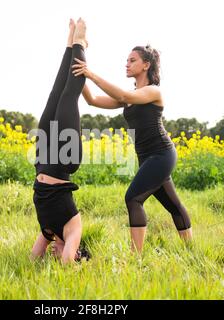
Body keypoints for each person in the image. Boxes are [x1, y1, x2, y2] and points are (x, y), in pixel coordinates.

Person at [72, 44, 193, 253]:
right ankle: (191, 252)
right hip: (147, 159)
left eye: (132, 60)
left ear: (146, 65)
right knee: (173, 206)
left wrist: (91, 74)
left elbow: (124, 97)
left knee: (133, 198)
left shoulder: (153, 91)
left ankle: (135, 257)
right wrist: (78, 75)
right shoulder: (130, 96)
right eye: (127, 60)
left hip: (161, 154)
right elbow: (92, 101)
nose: (126, 64)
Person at [30, 18, 89, 264]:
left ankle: (69, 44)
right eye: (66, 252)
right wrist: (71, 261)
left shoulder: (49, 232)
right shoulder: (72, 229)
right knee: (68, 98)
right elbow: (67, 262)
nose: (57, 253)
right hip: (65, 162)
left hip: (43, 160)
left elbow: (33, 258)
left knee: (55, 95)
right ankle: (80, 44)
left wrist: (46, 252)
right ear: (76, 253)